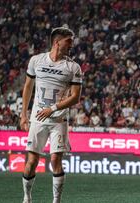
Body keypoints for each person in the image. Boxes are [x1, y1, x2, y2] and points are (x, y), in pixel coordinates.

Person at [20, 27, 82, 203]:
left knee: (55, 159)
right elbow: (28, 87)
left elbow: (75, 97)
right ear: (57, 42)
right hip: (37, 119)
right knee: (32, 162)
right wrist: (23, 114)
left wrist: (53, 108)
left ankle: (56, 200)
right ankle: (27, 197)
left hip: (58, 120)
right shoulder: (36, 60)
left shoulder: (73, 67)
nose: (72, 44)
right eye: (68, 41)